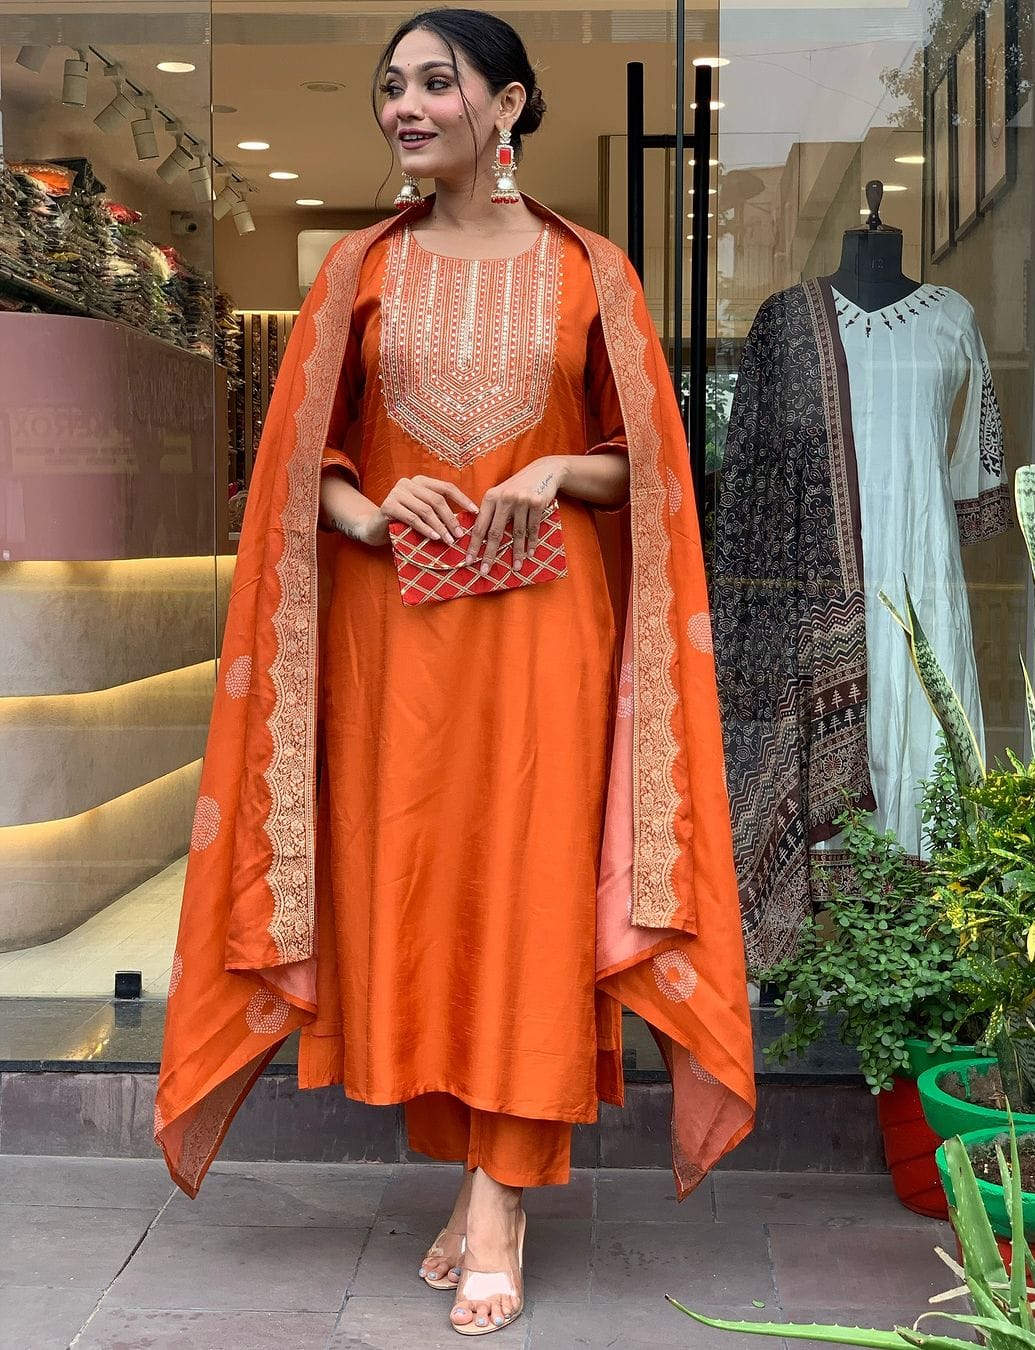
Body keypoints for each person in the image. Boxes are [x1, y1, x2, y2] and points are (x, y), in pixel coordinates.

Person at [155, 8, 754, 1338]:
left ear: (510, 106)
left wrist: (555, 468)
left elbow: (646, 468)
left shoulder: (592, 271)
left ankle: (499, 1201)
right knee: (429, 902)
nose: (404, 107)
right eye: (392, 86)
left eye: (437, 82)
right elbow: (294, 462)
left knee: (533, 893)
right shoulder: (356, 270)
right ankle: (481, 1173)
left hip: (546, 631)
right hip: (398, 646)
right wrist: (368, 511)